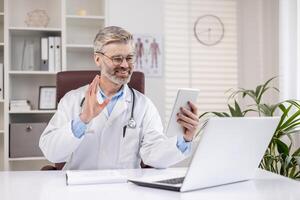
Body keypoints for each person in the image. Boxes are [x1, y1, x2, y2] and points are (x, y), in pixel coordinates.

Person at [39, 26, 199, 170]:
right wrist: (83, 120)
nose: (125, 65)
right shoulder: (72, 100)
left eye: (129, 58)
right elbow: (51, 153)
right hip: (78, 188)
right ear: (97, 59)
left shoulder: (143, 105)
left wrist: (184, 139)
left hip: (124, 189)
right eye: (117, 58)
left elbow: (154, 156)